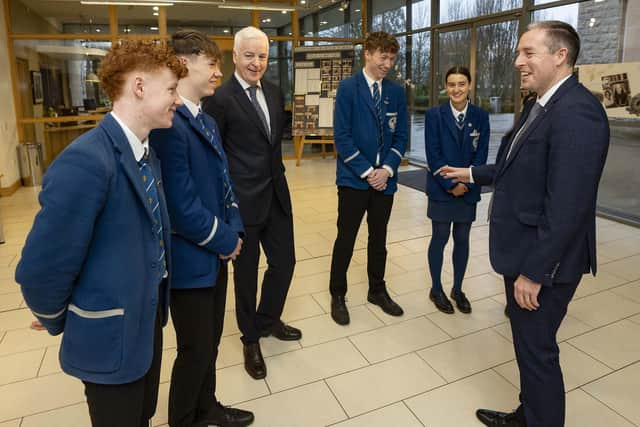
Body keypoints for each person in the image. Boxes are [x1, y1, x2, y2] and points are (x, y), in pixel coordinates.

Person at [442, 21, 609, 427]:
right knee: (528, 347)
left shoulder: (578, 113)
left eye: (528, 53)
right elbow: (516, 166)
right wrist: (470, 173)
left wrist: (535, 272)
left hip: (542, 262)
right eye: (519, 53)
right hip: (524, 250)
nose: (518, 61)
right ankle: (527, 415)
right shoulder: (543, 103)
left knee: (537, 353)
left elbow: (567, 205)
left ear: (560, 55)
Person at [15, 40, 186, 427]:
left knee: (142, 415)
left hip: (145, 323)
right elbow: (41, 269)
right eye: (171, 89)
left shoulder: (146, 153)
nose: (177, 99)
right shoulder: (87, 160)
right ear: (140, 87)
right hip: (110, 333)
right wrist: (61, 315)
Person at [149, 31, 254, 427]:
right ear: (183, 63)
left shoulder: (205, 121)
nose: (218, 72)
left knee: (208, 344)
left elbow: (225, 185)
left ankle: (206, 407)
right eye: (211, 63)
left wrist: (236, 229)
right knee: (194, 348)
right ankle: (184, 418)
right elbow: (180, 206)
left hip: (216, 253)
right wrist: (226, 240)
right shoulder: (170, 125)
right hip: (193, 258)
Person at [203, 26, 301, 381]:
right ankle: (250, 338)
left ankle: (267, 319)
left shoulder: (274, 93)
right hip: (242, 204)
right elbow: (214, 156)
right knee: (246, 277)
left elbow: (272, 146)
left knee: (285, 263)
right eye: (249, 55)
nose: (256, 62)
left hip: (276, 196)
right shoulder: (220, 99)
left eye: (262, 56)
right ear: (235, 56)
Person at [328, 31, 408, 326]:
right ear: (368, 54)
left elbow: (401, 136)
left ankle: (377, 289)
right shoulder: (348, 88)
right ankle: (338, 293)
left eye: (391, 58)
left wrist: (386, 170)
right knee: (346, 238)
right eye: (382, 57)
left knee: (379, 239)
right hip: (353, 180)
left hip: (385, 181)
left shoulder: (396, 93)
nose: (387, 63)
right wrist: (367, 172)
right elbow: (342, 137)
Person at [424, 66, 489, 314]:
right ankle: (437, 289)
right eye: (451, 84)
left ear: (469, 85)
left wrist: (467, 182)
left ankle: (458, 289)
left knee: (462, 239)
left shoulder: (481, 116)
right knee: (439, 238)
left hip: (469, 190)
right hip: (442, 191)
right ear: (445, 86)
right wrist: (452, 184)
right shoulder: (435, 115)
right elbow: (433, 155)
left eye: (461, 84)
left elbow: (481, 154)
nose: (456, 89)